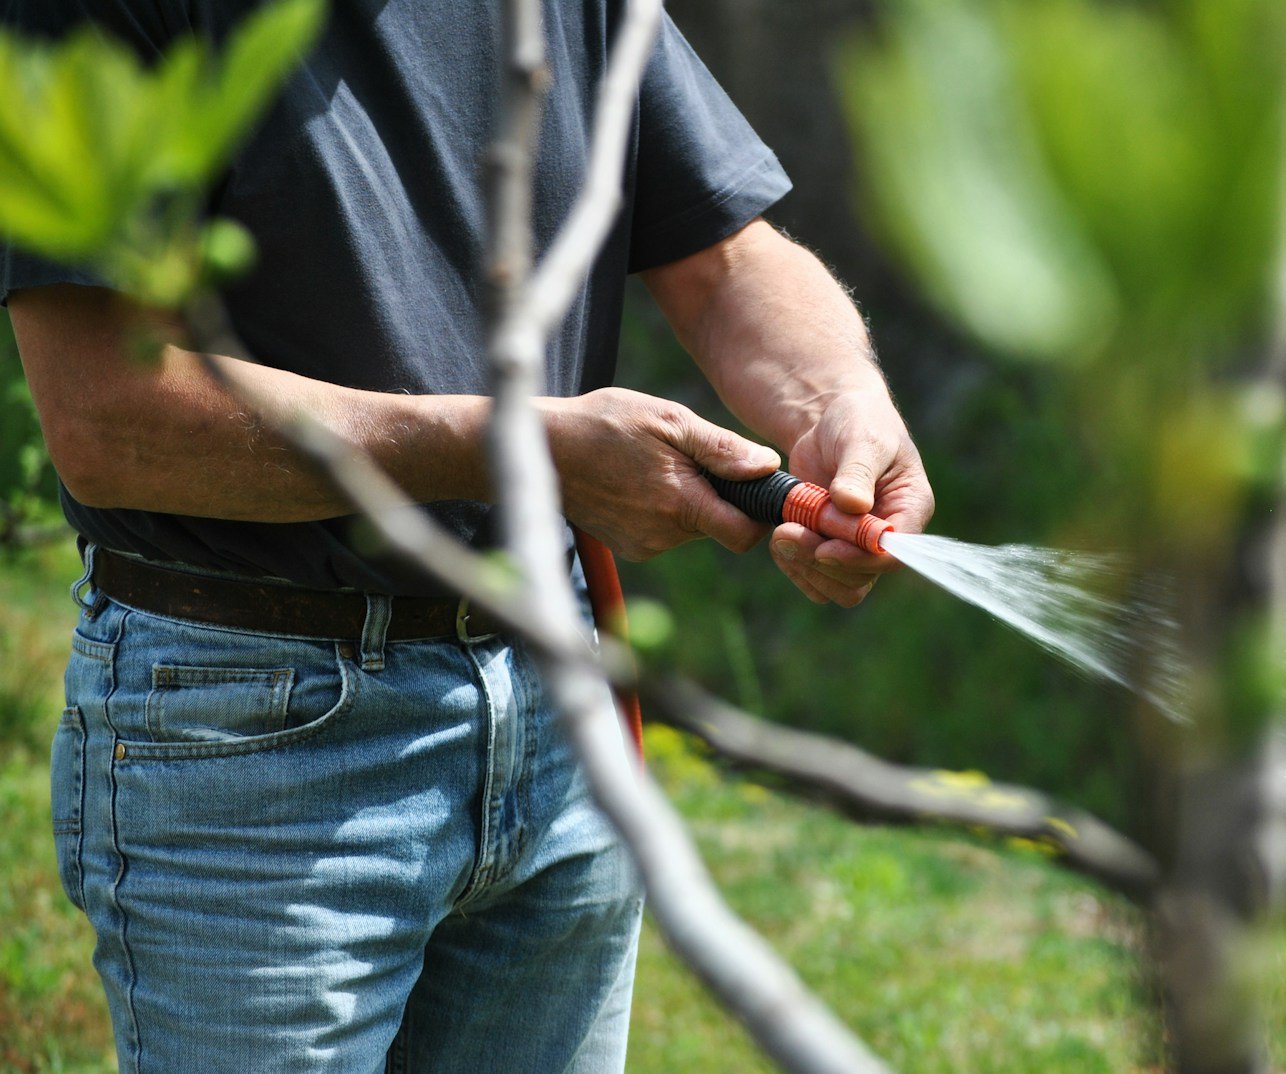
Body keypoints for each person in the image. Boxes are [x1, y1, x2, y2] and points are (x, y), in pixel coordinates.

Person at [1, 1, 933, 1070]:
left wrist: (838, 401)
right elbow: (109, 417)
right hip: (255, 738)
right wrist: (513, 448)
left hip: (555, 690)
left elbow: (724, 259)